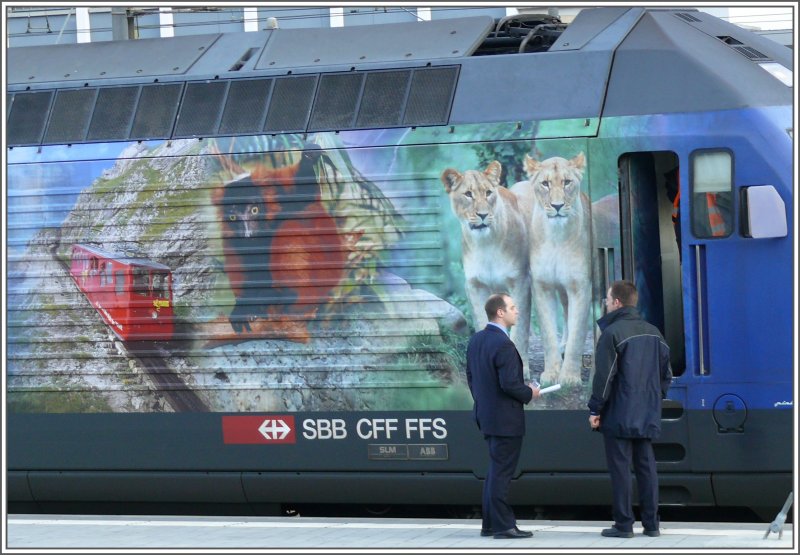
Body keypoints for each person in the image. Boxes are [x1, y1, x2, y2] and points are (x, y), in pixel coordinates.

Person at [588, 280, 672, 538]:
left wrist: (595, 409)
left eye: (607, 299)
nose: (605, 303)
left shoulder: (612, 334)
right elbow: (666, 376)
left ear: (617, 302)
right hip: (646, 413)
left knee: (621, 470)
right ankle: (652, 525)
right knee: (647, 469)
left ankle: (624, 525)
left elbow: (605, 377)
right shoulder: (654, 333)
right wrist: (653, 400)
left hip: (618, 413)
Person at [466, 293, 540, 539]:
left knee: (494, 471)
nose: (517, 310)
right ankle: (503, 526)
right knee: (502, 473)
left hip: (486, 416)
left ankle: (489, 524)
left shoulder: (476, 341)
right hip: (506, 420)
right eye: (512, 307)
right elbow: (510, 385)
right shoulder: (504, 345)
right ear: (500, 312)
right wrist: (530, 392)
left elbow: (472, 379)